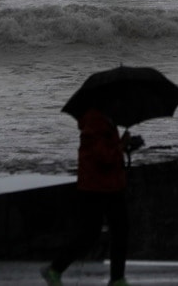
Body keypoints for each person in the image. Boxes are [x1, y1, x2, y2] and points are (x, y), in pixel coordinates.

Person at [41, 104, 143, 286]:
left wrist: (127, 146)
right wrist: (122, 145)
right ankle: (54, 269)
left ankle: (117, 278)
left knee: (118, 230)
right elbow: (103, 157)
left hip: (110, 185)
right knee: (91, 233)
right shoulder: (95, 121)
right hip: (96, 187)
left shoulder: (106, 119)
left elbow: (109, 151)